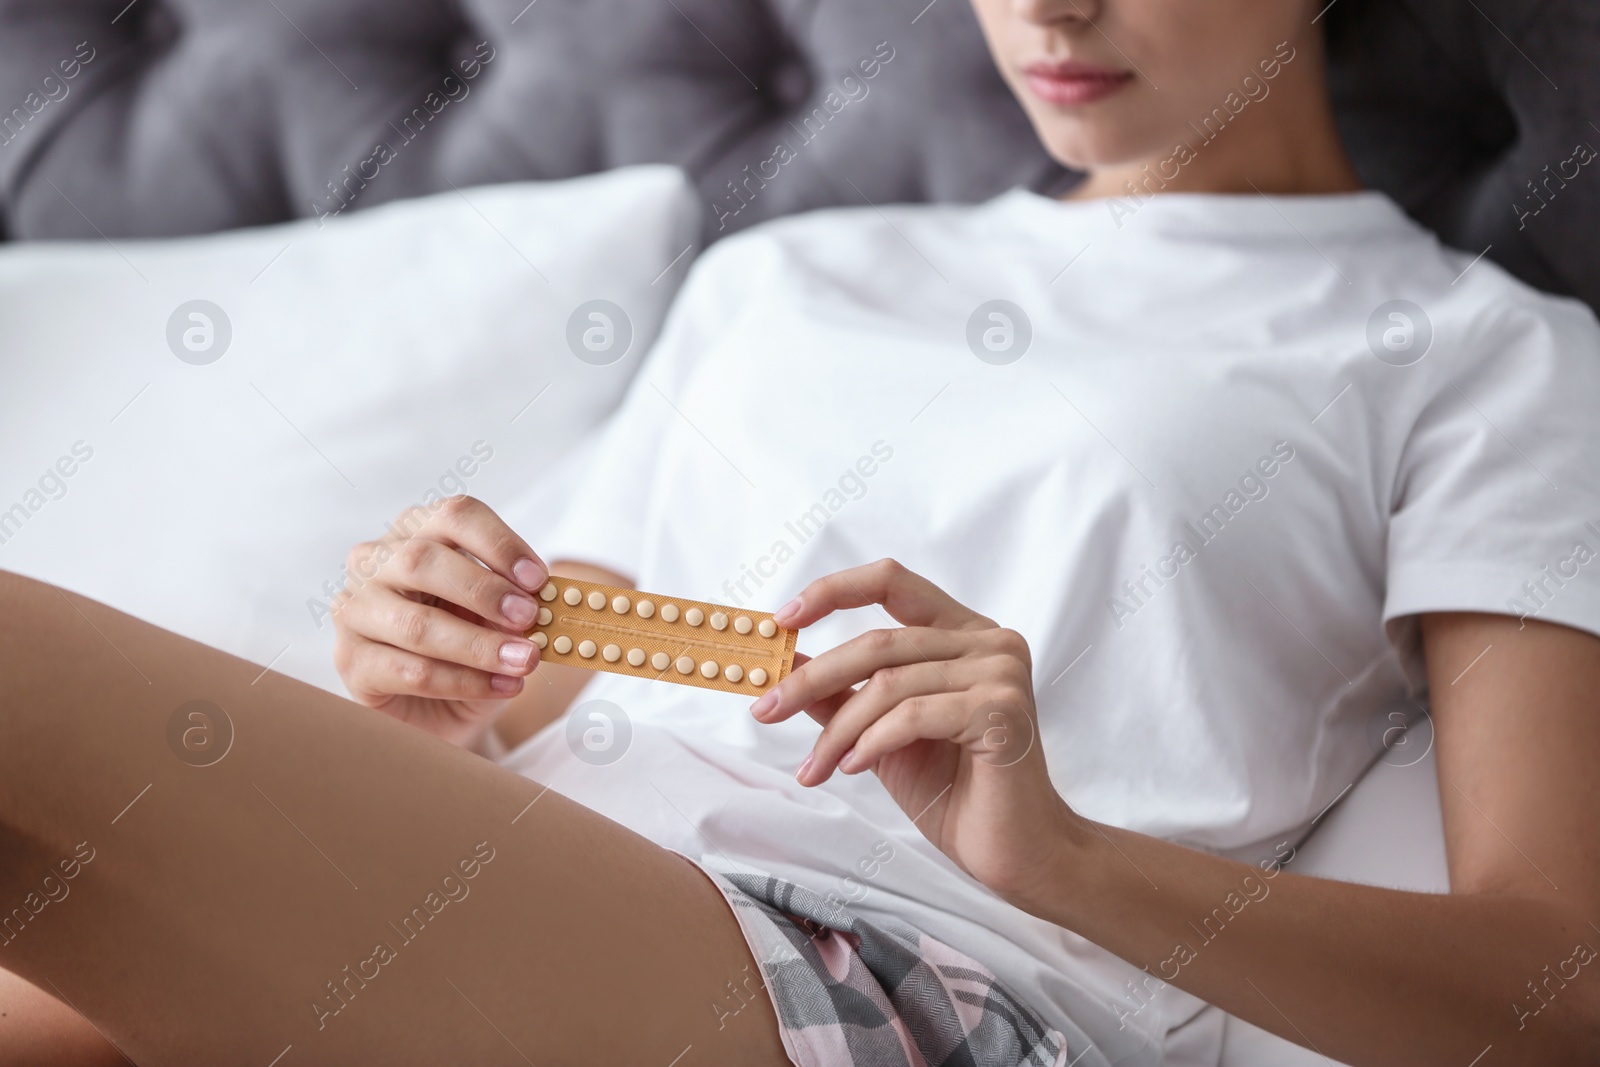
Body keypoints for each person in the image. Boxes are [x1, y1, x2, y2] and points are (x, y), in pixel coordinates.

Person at [4, 0, 1599, 1064]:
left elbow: (1555, 982)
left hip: (909, 983)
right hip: (558, 883)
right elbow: (560, 673)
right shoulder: (791, 273)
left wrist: (1063, 859)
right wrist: (431, 676)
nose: (1049, 7)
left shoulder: (1482, 353)